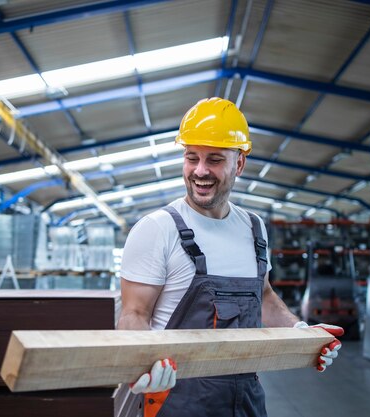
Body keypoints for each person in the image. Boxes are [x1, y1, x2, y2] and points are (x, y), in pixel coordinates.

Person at [117, 97, 343, 417]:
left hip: (246, 401)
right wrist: (138, 368)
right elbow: (133, 314)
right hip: (176, 400)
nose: (200, 171)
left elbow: (263, 296)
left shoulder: (254, 228)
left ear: (238, 164)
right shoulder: (157, 229)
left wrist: (302, 331)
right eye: (191, 157)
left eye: (214, 160)